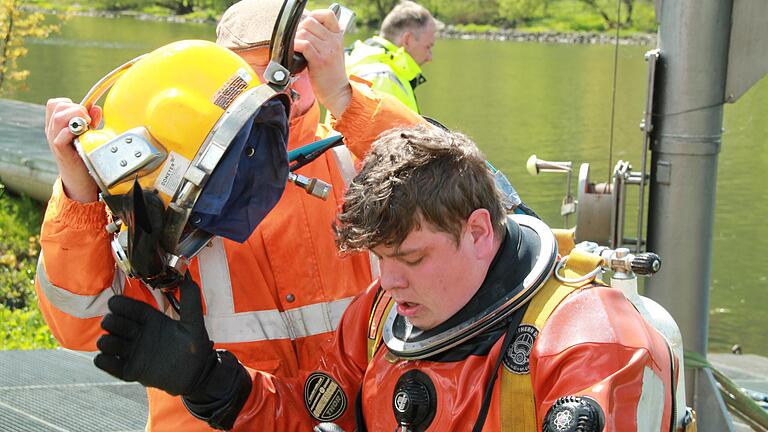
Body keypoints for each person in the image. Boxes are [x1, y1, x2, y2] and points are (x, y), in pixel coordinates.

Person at [95, 125, 678, 431]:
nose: (390, 281)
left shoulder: (591, 342)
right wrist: (210, 382)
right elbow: (314, 419)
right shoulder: (376, 320)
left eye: (413, 258)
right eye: (379, 257)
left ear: (478, 231)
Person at [36, 1, 422, 430]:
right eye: (252, 70)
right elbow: (82, 325)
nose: (279, 86)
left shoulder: (359, 157)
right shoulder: (164, 183)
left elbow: (457, 202)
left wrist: (347, 98)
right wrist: (78, 194)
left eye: (298, 63)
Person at [345, 0, 436, 113]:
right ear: (408, 40)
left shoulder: (359, 57)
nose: (430, 57)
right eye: (428, 47)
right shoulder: (382, 79)